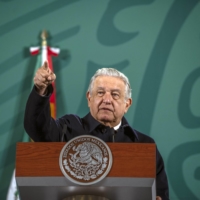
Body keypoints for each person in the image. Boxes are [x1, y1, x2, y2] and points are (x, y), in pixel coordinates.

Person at [24, 61, 169, 200]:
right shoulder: (67, 129)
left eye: (115, 94)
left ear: (127, 104)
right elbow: (36, 127)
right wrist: (41, 89)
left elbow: (160, 194)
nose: (107, 100)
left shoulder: (144, 145)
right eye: (100, 93)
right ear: (89, 98)